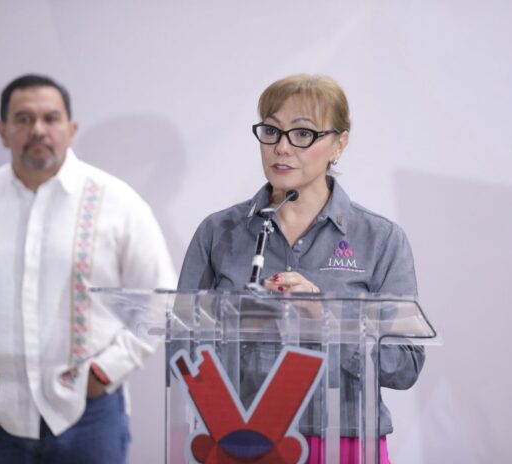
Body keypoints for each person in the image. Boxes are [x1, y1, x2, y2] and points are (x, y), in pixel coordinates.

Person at [0, 74, 177, 463]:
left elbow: (160, 300)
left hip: (91, 419)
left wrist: (106, 370)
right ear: (2, 131)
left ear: (71, 130)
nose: (38, 129)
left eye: (50, 118)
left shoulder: (118, 202)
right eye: (23, 119)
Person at [177, 74, 425, 463]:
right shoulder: (218, 232)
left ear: (339, 144)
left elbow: (405, 365)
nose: (282, 147)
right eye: (271, 131)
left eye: (302, 134)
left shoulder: (380, 239)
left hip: (343, 440)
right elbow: (180, 343)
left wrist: (327, 320)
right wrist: (239, 325)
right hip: (241, 438)